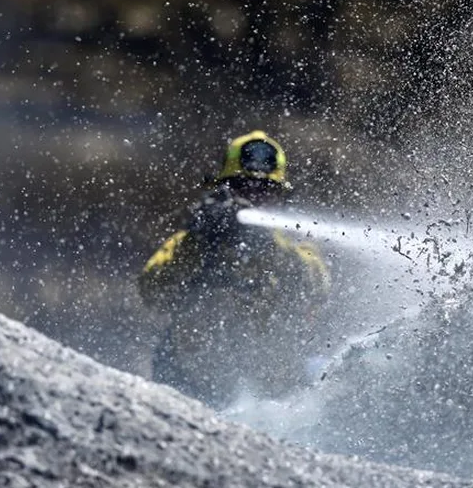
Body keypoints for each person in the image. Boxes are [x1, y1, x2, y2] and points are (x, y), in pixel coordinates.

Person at [138, 130, 330, 408]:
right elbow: (151, 289)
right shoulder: (195, 240)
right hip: (192, 389)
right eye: (243, 187)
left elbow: (318, 286)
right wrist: (201, 242)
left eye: (265, 191)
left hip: (273, 400)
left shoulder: (295, 243)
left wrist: (269, 242)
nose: (253, 198)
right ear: (224, 190)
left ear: (280, 197)